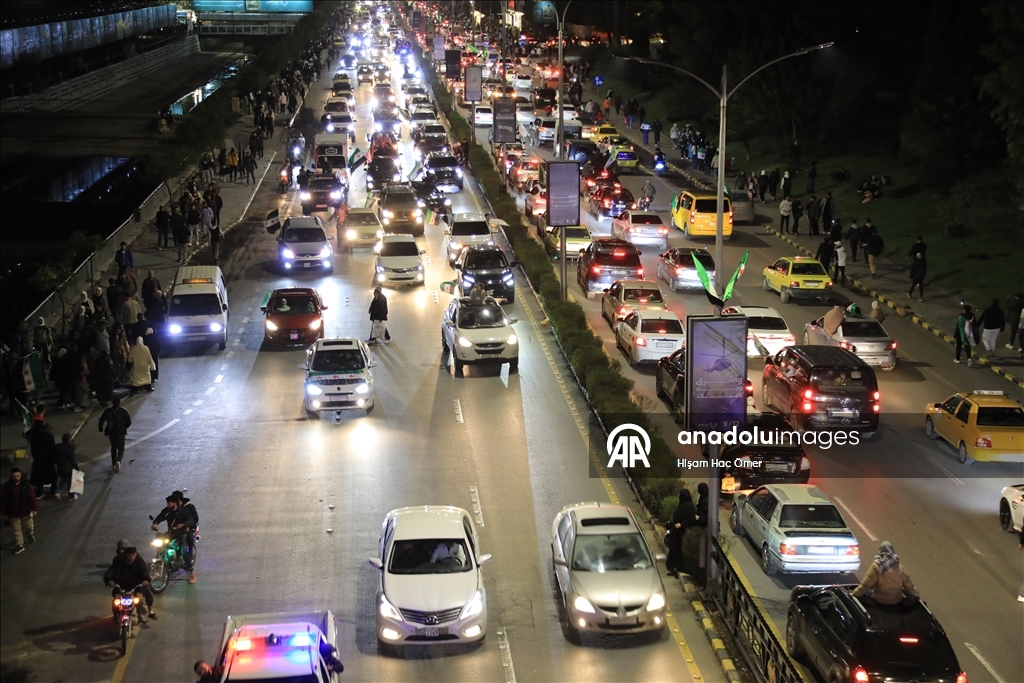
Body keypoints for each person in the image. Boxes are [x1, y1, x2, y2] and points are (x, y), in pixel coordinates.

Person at [851, 541, 919, 605]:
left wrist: (854, 594)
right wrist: (916, 595)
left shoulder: (877, 566)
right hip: (896, 600)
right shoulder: (900, 567)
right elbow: (909, 586)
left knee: (866, 593)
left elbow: (866, 585)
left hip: (879, 600)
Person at [152, 495, 198, 583]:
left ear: (175, 503)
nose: (167, 505)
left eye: (169, 503)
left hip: (182, 534)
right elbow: (161, 517)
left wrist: (183, 525)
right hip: (171, 533)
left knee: (183, 552)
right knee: (161, 546)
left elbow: (191, 520)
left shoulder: (183, 511)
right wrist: (155, 523)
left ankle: (192, 572)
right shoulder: (167, 511)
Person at [103, 545, 156, 620]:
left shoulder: (139, 561)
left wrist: (145, 580)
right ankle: (115, 616)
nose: (131, 558)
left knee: (139, 599)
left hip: (137, 585)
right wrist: (109, 580)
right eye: (129, 555)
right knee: (116, 600)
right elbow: (111, 571)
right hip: (121, 585)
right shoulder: (119, 561)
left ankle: (139, 616)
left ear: (136, 554)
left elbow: (144, 571)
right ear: (125, 555)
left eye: (133, 555)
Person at [1, 468, 37, 555]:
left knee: (28, 526)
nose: (16, 478)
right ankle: (20, 545)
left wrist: (34, 508)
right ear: (11, 476)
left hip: (25, 511)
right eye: (14, 476)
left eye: (18, 476)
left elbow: (32, 496)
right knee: (16, 530)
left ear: (20, 475)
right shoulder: (7, 486)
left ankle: (30, 534)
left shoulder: (26, 484)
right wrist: (5, 513)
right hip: (13, 512)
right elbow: (3, 500)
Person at [665, 489, 696, 578]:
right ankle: (672, 565)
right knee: (674, 548)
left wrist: (682, 524)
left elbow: (691, 518)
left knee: (678, 549)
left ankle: (679, 567)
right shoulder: (683, 504)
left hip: (682, 532)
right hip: (677, 531)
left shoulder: (689, 506)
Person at [98, 397, 132, 473]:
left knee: (113, 447)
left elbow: (101, 420)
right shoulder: (124, 411)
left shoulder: (108, 411)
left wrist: (101, 428)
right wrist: (124, 427)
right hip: (121, 432)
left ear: (112, 402)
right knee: (121, 449)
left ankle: (113, 463)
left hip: (111, 432)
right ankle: (118, 461)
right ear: (119, 402)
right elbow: (129, 422)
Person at [54, 433, 80, 501]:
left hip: (60, 467)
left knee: (63, 479)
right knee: (71, 483)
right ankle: (71, 496)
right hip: (68, 468)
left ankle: (57, 491)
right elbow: (72, 460)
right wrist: (77, 468)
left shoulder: (58, 447)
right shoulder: (69, 449)